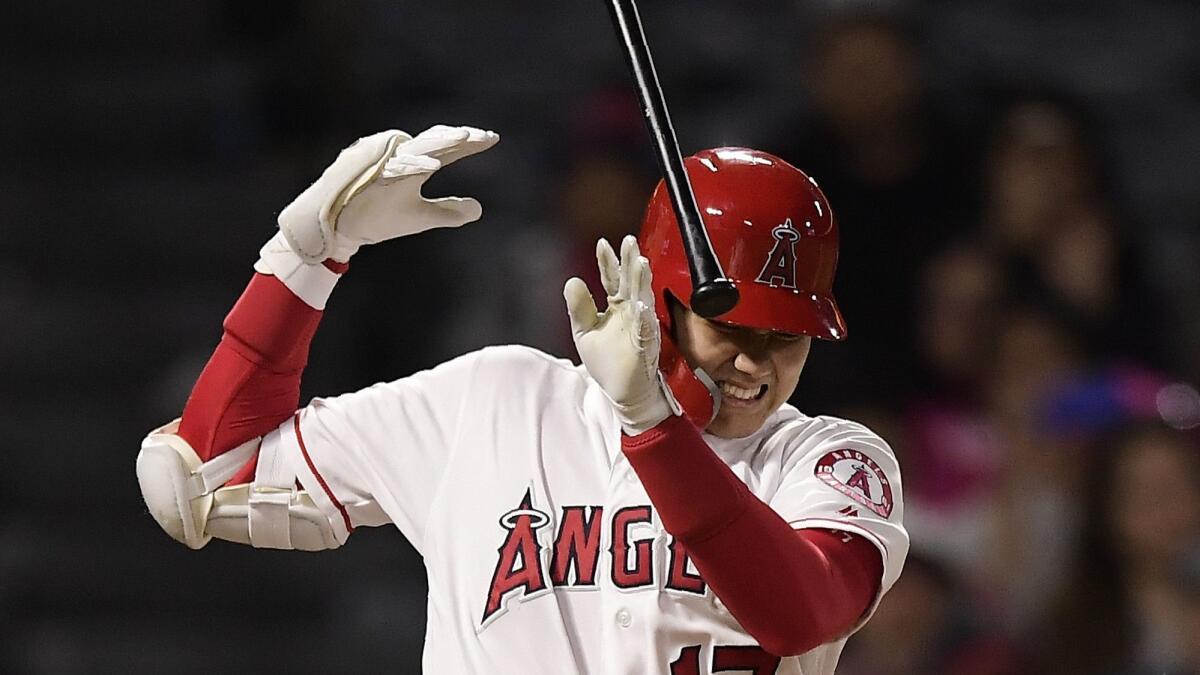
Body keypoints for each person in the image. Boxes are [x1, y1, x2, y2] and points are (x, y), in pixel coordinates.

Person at [136, 125, 908, 673]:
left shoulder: (830, 459)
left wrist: (652, 427)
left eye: (788, 335)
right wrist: (305, 259)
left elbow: (801, 611)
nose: (756, 361)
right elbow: (206, 476)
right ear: (656, 296)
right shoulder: (496, 399)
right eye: (729, 324)